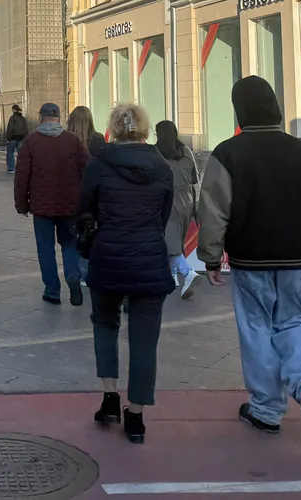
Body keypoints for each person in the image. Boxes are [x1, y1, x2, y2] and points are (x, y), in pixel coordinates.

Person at [198, 76, 301, 442]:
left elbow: (213, 211)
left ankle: (266, 409)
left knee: (256, 327)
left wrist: (211, 257)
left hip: (250, 258)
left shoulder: (227, 153)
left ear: (239, 110)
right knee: (294, 321)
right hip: (296, 258)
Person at [78, 103, 174, 445]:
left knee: (105, 324)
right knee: (145, 340)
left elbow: (83, 209)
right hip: (149, 260)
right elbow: (163, 216)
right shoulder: (162, 166)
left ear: (115, 129)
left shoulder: (98, 165)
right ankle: (136, 416)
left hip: (109, 257)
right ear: (145, 129)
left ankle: (109, 397)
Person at [14, 102, 90, 306]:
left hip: (42, 206)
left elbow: (22, 176)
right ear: (59, 118)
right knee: (70, 243)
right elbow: (87, 169)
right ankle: (73, 276)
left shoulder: (31, 141)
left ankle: (52, 290)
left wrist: (22, 204)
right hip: (70, 204)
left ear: (41, 118)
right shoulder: (72, 140)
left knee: (45, 248)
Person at [155, 120, 200, 298]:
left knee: (169, 243)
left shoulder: (156, 154)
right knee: (175, 241)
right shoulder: (186, 151)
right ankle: (172, 278)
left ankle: (187, 272)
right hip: (187, 201)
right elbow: (195, 178)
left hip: (167, 201)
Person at [5, 104, 29, 174]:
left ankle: (11, 168)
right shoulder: (23, 118)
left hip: (13, 138)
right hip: (21, 138)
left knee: (10, 152)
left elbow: (10, 129)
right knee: (21, 153)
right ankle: (23, 167)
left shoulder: (12, 118)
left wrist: (8, 138)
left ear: (13, 110)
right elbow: (26, 129)